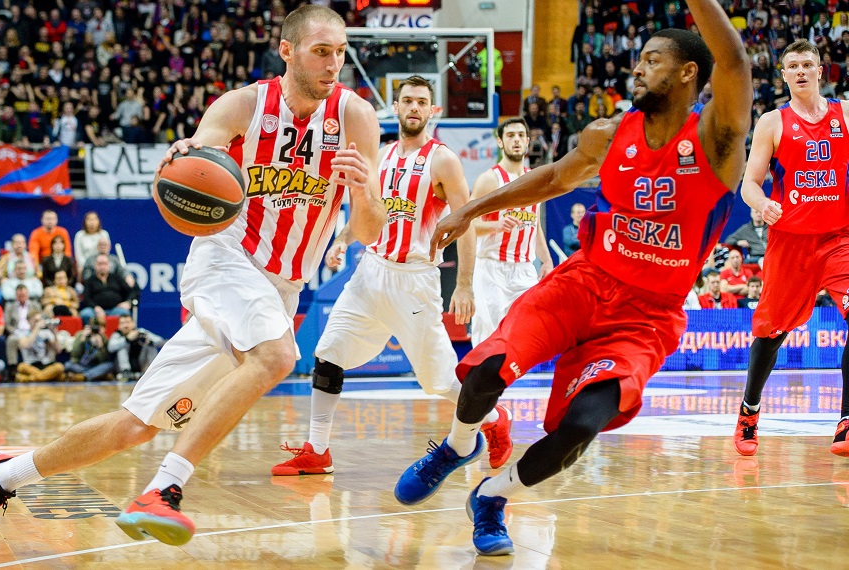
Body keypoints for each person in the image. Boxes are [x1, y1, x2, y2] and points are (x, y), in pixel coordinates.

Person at [0, 5, 386, 552]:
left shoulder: (356, 118)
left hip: (282, 285)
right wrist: (187, 151)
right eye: (321, 51)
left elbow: (368, 230)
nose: (333, 63)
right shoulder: (244, 105)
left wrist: (365, 192)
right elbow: (200, 148)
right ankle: (163, 489)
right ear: (287, 51)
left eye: (340, 52)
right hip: (226, 259)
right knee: (278, 356)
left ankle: (3, 475)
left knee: (134, 426)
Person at [394, 4, 751, 556]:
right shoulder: (609, 134)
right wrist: (469, 210)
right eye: (639, 58)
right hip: (583, 282)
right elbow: (555, 178)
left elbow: (734, 62)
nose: (638, 68)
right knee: (485, 371)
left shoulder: (716, 140)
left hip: (646, 316)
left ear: (687, 73)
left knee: (581, 427)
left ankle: (493, 495)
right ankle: (459, 445)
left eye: (653, 60)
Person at [271, 75, 510, 477]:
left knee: (438, 382)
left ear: (432, 110)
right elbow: (370, 213)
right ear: (396, 108)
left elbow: (465, 223)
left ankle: (495, 418)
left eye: (422, 102)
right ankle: (318, 450)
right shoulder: (380, 155)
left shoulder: (443, 160)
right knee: (329, 352)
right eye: (408, 101)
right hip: (371, 272)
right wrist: (343, 240)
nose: (414, 107)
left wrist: (465, 283)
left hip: (414, 280)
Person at [732, 38, 849, 458]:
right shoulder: (772, 122)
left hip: (839, 239)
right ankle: (749, 409)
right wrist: (762, 203)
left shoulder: (844, 113)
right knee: (771, 333)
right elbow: (749, 183)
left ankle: (846, 420)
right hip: (791, 242)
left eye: (807, 64)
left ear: (821, 71)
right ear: (783, 75)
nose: (801, 71)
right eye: (793, 66)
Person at [470, 117, 553, 347]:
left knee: (526, 336)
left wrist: (547, 260)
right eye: (510, 135)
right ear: (500, 142)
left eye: (520, 135)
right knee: (491, 339)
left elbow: (534, 225)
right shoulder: (489, 180)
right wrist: (494, 226)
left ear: (527, 141)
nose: (516, 140)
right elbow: (466, 224)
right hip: (492, 268)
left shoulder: (535, 179)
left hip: (525, 269)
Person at [108, 314, 165, 382]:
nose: (126, 325)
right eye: (122, 323)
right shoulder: (117, 335)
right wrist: (126, 339)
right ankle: (126, 372)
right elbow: (110, 348)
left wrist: (150, 341)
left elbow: (161, 342)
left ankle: (152, 370)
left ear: (133, 324)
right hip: (121, 367)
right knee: (121, 346)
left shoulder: (140, 332)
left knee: (151, 346)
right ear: (119, 326)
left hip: (141, 363)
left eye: (128, 322)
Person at [80, 254, 133, 322]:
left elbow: (131, 291)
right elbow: (86, 297)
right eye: (100, 264)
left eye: (105, 264)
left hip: (115, 309)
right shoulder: (90, 280)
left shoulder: (117, 278)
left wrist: (128, 302)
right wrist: (95, 307)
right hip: (95, 310)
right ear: (95, 265)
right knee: (85, 314)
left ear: (109, 265)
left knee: (124, 313)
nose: (102, 267)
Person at [15, 311, 65, 383]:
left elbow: (58, 350)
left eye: (40, 320)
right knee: (21, 367)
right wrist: (37, 328)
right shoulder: (22, 333)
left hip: (46, 364)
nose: (38, 322)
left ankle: (28, 378)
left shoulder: (46, 333)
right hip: (30, 365)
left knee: (59, 367)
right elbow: (27, 345)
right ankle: (46, 377)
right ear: (28, 321)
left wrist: (54, 333)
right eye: (36, 320)